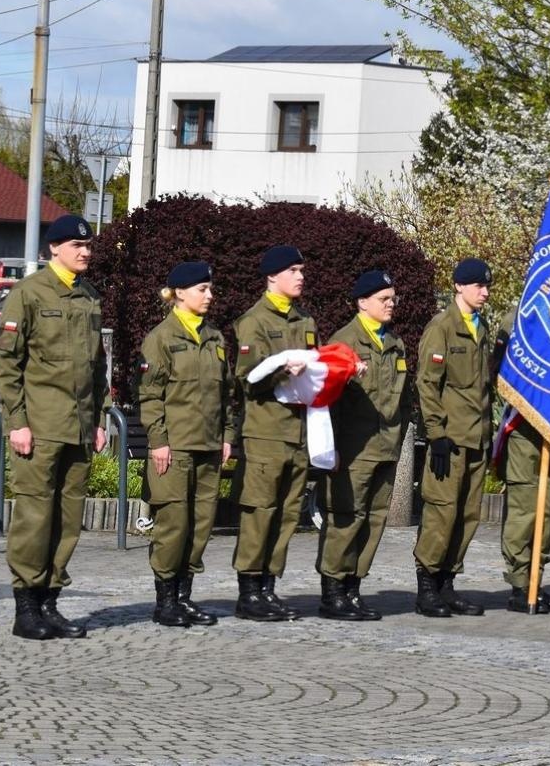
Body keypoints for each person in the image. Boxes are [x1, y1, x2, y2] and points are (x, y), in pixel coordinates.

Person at [0, 213, 107, 640]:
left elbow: (97, 365)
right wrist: (17, 422)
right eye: (77, 246)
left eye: (89, 246)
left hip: (78, 427)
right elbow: (6, 362)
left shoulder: (89, 296)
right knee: (35, 516)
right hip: (39, 426)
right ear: (54, 249)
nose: (85, 251)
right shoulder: (29, 294)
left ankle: (50, 602)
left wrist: (97, 418)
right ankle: (26, 607)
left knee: (68, 518)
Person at [138, 260, 233, 628]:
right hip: (174, 448)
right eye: (202, 289)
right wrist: (158, 441)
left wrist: (227, 436)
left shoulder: (215, 338)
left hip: (208, 446)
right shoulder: (161, 338)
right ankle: (165, 601)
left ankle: (184, 596)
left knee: (200, 524)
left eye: (210, 289)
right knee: (173, 525)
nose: (209, 296)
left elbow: (226, 395)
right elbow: (150, 395)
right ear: (179, 293)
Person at [316, 269, 409, 621]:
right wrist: (332, 447)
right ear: (362, 302)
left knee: (374, 518)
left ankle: (353, 588)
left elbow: (402, 398)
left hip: (386, 445)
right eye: (384, 299)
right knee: (346, 516)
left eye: (392, 298)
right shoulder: (344, 342)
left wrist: (399, 435)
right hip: (354, 447)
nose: (391, 304)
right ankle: (332, 591)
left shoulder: (395, 343)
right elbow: (330, 400)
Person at [231, 245, 317, 622]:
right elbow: (247, 380)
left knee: (286, 513)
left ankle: (269, 587)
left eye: (301, 270)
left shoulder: (305, 321)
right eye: (293, 270)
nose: (300, 276)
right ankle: (249, 590)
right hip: (266, 431)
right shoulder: (255, 322)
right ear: (272, 277)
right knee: (260, 512)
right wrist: (285, 372)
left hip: (298, 431)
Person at [414, 257, 496, 617]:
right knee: (442, 513)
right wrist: (436, 435)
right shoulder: (442, 327)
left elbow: (483, 389)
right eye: (479, 285)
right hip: (450, 439)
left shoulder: (481, 327)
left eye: (486, 286)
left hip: (476, 437)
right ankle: (427, 584)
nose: (485, 292)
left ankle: (448, 582)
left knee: (468, 514)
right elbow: (428, 385)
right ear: (459, 286)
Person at [494, 306, 550, 615]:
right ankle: (519, 583)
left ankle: (535, 582)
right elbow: (501, 370)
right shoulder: (518, 317)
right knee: (524, 508)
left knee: (548, 509)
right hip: (524, 429)